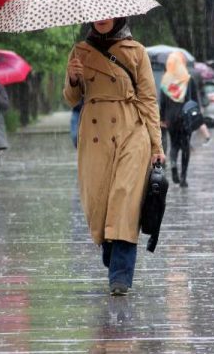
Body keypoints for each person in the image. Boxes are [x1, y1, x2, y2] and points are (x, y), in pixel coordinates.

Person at [64, 18, 165, 296]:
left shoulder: (136, 51)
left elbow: (148, 99)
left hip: (131, 131)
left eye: (108, 13)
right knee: (100, 202)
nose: (102, 18)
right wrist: (73, 78)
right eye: (97, 14)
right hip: (95, 135)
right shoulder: (79, 51)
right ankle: (113, 251)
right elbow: (72, 99)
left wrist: (156, 144)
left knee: (125, 200)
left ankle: (120, 276)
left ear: (120, 16)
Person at [159, 52, 199, 187]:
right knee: (185, 146)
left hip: (170, 118)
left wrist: (162, 118)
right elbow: (194, 100)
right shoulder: (188, 79)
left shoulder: (166, 80)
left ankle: (174, 165)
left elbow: (162, 102)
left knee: (174, 145)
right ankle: (183, 177)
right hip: (185, 117)